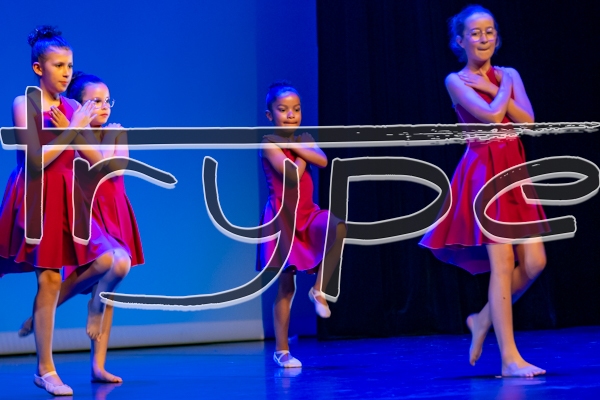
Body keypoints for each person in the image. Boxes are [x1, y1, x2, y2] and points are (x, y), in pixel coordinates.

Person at [419, 6, 547, 377]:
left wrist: (496, 86)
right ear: (460, 41)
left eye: (489, 31)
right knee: (502, 264)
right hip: (482, 173)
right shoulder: (456, 80)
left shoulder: (509, 74)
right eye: (475, 33)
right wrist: (500, 91)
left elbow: (528, 122)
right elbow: (491, 117)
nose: (484, 38)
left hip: (514, 171)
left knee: (535, 262)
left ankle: (482, 319)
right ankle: (509, 358)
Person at [259, 81, 346, 368]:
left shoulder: (301, 139)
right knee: (286, 287)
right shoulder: (269, 143)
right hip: (282, 219)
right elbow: (292, 175)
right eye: (283, 110)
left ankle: (319, 290)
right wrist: (301, 150)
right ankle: (281, 350)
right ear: (270, 115)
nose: (291, 115)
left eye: (296, 109)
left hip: (307, 214)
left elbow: (323, 159)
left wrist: (298, 146)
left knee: (337, 227)